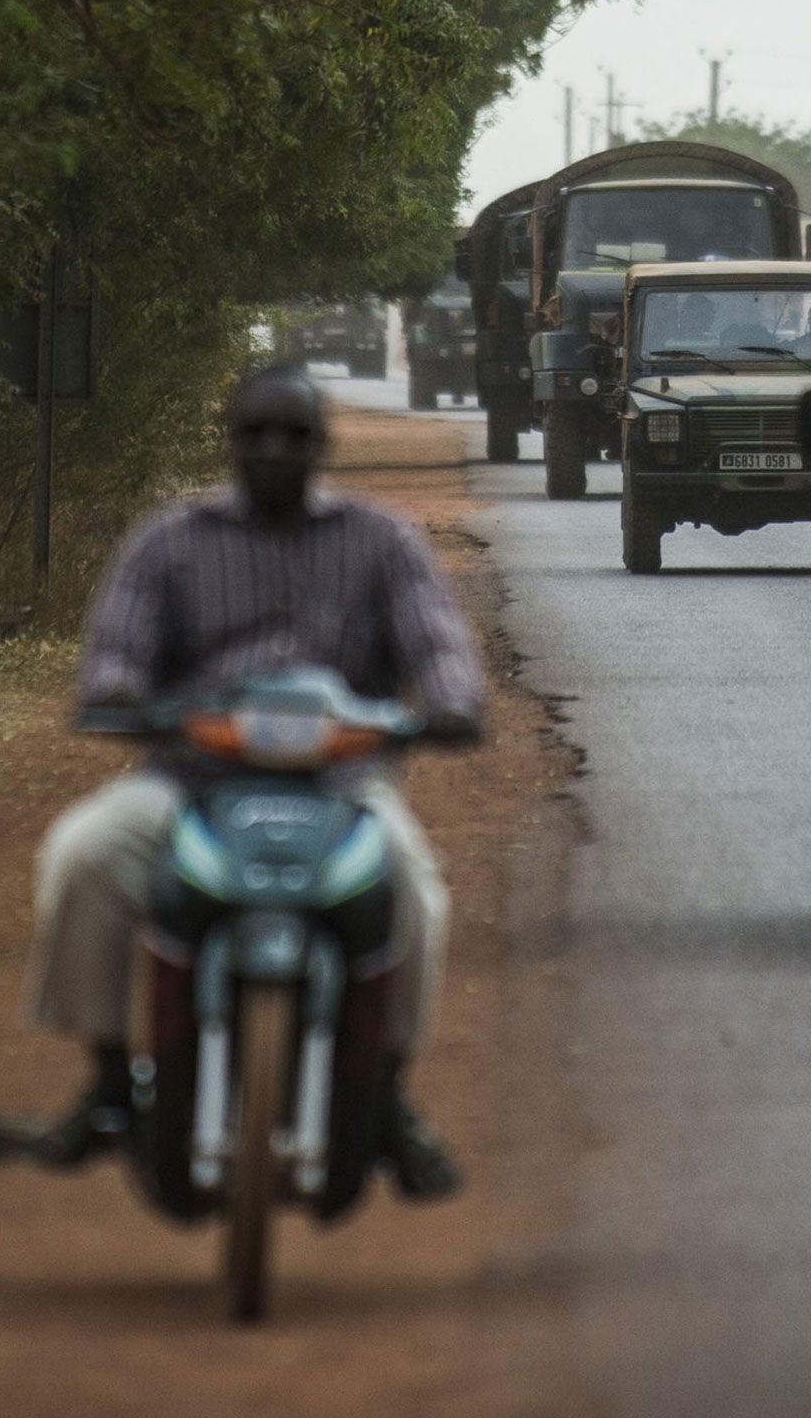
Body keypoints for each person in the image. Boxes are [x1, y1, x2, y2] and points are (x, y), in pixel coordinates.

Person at [28, 365, 483, 1197]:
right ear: (230, 441)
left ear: (321, 446)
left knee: (416, 895)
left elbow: (440, 647)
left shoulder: (382, 542)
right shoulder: (170, 541)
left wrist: (450, 704)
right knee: (83, 853)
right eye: (256, 434)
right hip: (190, 782)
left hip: (343, 791)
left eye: (295, 435)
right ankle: (104, 1077)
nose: (275, 450)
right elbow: (116, 657)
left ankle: (384, 1096)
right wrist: (124, 696)